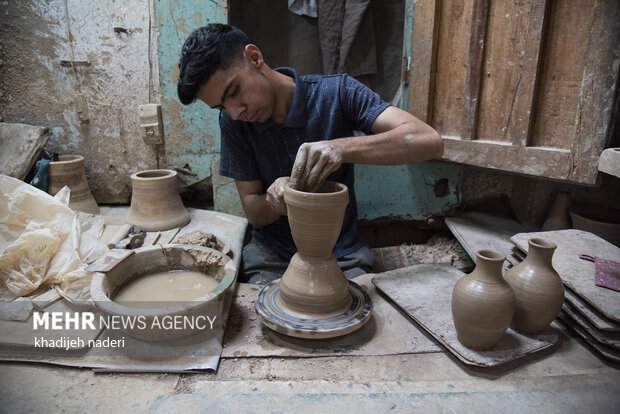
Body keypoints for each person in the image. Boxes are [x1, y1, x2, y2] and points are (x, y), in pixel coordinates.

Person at [177, 24, 443, 284]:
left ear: (254, 57)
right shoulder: (234, 122)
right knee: (260, 309)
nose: (236, 111)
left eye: (234, 91)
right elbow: (254, 213)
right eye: (221, 106)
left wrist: (339, 148)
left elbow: (428, 141)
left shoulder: (337, 92)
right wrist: (275, 201)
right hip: (273, 255)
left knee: (356, 308)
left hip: (339, 252)